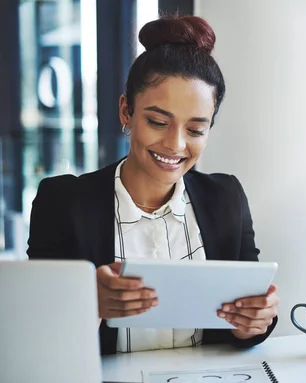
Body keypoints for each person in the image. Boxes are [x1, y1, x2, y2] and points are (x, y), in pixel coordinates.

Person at [26, 14, 279, 355]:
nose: (175, 145)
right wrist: (87, 305)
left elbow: (249, 313)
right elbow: (32, 330)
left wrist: (256, 322)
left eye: (195, 130)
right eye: (158, 121)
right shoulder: (63, 202)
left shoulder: (226, 198)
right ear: (126, 112)